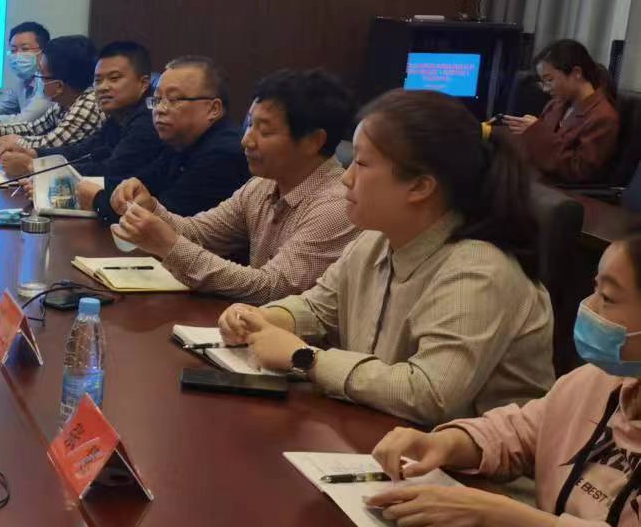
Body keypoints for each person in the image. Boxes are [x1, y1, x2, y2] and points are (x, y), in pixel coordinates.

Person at [218, 89, 554, 425]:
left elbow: (430, 394)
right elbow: (318, 308)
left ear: (420, 187)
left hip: (460, 456)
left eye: (362, 164)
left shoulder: (478, 270)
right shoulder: (376, 240)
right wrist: (262, 318)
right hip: (379, 432)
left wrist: (305, 358)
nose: (346, 177)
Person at [365, 232, 641, 527]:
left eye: (607, 297)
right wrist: (445, 443)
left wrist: (498, 514)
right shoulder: (598, 380)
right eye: (594, 289)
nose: (588, 307)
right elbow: (522, 431)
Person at [111, 69, 357, 302]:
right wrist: (152, 209)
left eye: (265, 131)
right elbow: (201, 234)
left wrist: (168, 245)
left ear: (313, 141)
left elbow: (272, 288)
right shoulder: (262, 184)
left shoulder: (336, 206)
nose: (246, 140)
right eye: (249, 125)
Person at [98, 55, 249, 222]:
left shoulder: (223, 154)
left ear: (213, 109)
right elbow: (142, 184)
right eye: (157, 99)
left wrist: (97, 198)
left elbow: (166, 218)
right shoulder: (180, 141)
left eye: (174, 99)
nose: (159, 109)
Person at [499, 39, 620, 184]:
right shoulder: (555, 105)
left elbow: (579, 170)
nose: (545, 89)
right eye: (543, 82)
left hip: (561, 189)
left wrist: (537, 132)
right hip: (536, 177)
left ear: (576, 73)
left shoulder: (603, 118)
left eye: (549, 80)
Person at [0, 36, 102, 176]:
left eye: (41, 74)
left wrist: (16, 141)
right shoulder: (64, 102)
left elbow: (50, 144)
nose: (38, 80)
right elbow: (33, 128)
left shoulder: (88, 105)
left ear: (59, 86)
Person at [68, 41, 160, 207]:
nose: (103, 87)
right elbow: (84, 149)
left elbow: (113, 170)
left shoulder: (150, 119)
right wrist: (37, 156)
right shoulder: (119, 115)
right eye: (98, 80)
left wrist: (53, 173)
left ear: (144, 83)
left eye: (114, 78)